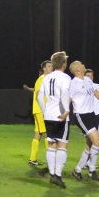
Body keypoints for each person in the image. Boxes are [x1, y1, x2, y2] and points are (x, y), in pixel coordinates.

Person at [37, 51, 72, 189]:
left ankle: (52, 174)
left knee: (51, 145)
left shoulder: (46, 78)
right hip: (60, 115)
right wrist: (66, 110)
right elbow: (64, 93)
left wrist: (45, 111)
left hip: (49, 115)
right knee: (62, 145)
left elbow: (39, 97)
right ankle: (57, 175)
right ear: (64, 64)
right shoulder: (65, 77)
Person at [68, 61, 99, 182]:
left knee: (89, 145)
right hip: (81, 116)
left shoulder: (87, 80)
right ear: (78, 69)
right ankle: (91, 170)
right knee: (97, 141)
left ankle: (77, 170)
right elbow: (68, 99)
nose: (83, 65)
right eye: (81, 64)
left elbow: (95, 92)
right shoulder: (73, 84)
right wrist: (63, 112)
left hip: (91, 114)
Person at [24, 60, 52, 166]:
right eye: (49, 66)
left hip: (39, 110)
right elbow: (38, 95)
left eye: (51, 66)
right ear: (44, 68)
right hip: (41, 110)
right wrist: (45, 110)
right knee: (47, 133)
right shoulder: (43, 79)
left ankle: (32, 158)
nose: (51, 68)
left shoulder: (44, 79)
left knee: (38, 133)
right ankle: (50, 160)